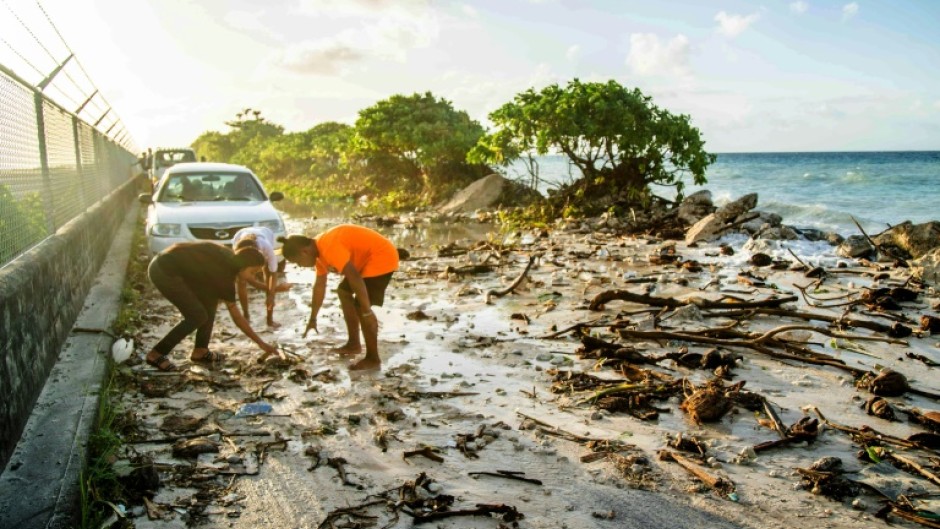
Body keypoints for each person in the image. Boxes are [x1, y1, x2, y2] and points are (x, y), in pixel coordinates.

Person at [145, 241, 280, 371]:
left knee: (210, 303)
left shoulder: (229, 257)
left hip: (176, 268)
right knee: (196, 316)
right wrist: (261, 343)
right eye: (253, 272)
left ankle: (200, 350)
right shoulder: (224, 277)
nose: (253, 277)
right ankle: (157, 353)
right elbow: (237, 318)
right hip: (164, 271)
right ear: (244, 265)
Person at [279, 225, 398, 370]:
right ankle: (354, 344)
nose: (300, 266)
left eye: (297, 262)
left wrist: (367, 310)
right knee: (343, 292)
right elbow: (319, 286)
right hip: (364, 261)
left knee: (360, 306)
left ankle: (373, 358)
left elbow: (354, 276)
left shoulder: (329, 247)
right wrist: (313, 319)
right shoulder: (318, 252)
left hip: (382, 256)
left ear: (304, 251)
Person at [232, 226, 290, 328]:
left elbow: (273, 274)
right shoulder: (237, 248)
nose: (254, 274)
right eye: (253, 271)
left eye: (255, 271)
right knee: (241, 281)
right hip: (240, 235)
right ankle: (246, 316)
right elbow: (247, 280)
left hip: (266, 234)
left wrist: (271, 295)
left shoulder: (267, 248)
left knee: (267, 274)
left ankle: (269, 320)